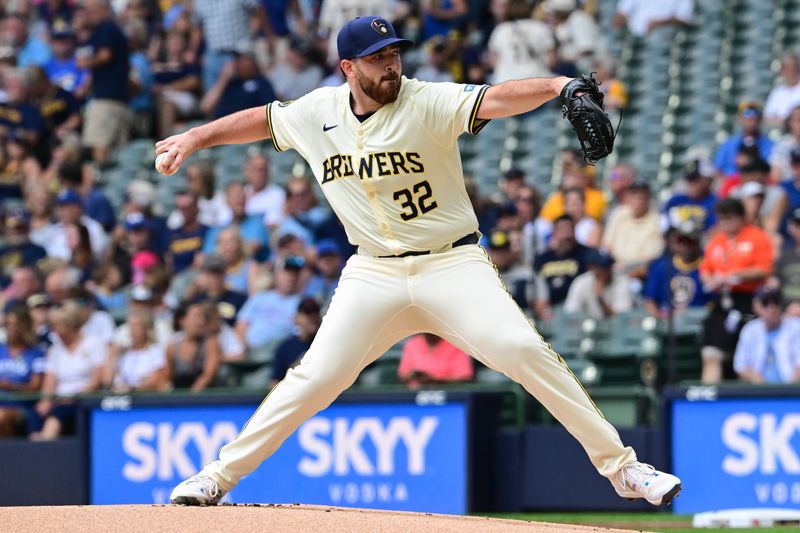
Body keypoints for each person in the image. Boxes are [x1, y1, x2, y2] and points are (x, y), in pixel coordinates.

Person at [159, 15, 680, 507]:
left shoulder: (426, 100)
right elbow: (262, 119)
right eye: (375, 57)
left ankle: (624, 469)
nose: (390, 64)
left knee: (522, 348)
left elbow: (496, 98)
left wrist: (558, 87)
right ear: (348, 68)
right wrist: (196, 136)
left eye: (393, 53)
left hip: (451, 264)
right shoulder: (315, 113)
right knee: (313, 377)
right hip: (373, 272)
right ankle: (217, 477)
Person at [699, 198, 774, 384]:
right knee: (711, 353)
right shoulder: (717, 240)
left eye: (729, 218)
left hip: (749, 299)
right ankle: (708, 397)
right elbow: (705, 270)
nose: (725, 223)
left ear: (741, 217)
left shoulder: (756, 236)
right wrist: (713, 280)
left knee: (746, 358)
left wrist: (736, 274)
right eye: (721, 219)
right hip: (723, 300)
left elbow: (764, 269)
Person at [31, 301, 106, 440]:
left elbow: (97, 380)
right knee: (36, 413)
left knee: (61, 411)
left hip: (83, 399)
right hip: (59, 399)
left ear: (70, 326)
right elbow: (50, 381)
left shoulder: (94, 344)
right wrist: (45, 401)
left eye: (58, 326)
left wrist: (73, 397)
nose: (55, 330)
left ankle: (45, 440)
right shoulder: (55, 350)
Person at [78, 0, 132, 163]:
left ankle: (99, 184)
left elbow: (105, 55)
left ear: (105, 9)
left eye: (93, 10)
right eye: (87, 11)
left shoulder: (106, 28)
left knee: (98, 145)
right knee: (118, 153)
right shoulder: (113, 29)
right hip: (119, 99)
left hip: (105, 99)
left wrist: (85, 63)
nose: (89, 14)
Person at [734, 286, 800, 384]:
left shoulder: (796, 326)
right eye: (765, 303)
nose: (771, 308)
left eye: (776, 302)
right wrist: (755, 378)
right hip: (758, 392)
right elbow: (740, 366)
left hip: (791, 392)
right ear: (755, 306)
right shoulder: (750, 329)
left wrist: (790, 390)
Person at [643, 222, 710, 318]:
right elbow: (650, 300)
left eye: (690, 242)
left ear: (697, 243)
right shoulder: (661, 267)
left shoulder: (707, 266)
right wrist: (659, 318)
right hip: (668, 323)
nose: (685, 246)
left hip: (698, 321)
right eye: (681, 241)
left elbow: (714, 301)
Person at [0, 305, 46, 437]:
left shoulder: (36, 353)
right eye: (8, 324)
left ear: (25, 326)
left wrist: (11, 386)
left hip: (22, 407)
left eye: (16, 324)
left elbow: (35, 387)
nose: (11, 328)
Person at [601, 181, 663, 279]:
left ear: (649, 199)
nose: (639, 201)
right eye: (635, 196)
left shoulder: (657, 221)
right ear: (628, 198)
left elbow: (652, 256)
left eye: (643, 197)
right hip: (613, 266)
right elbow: (606, 245)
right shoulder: (619, 214)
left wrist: (625, 266)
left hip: (638, 271)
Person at [533, 215, 590, 319]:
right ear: (554, 232)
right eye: (562, 229)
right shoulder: (542, 258)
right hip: (549, 310)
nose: (566, 234)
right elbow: (536, 287)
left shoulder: (586, 255)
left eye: (569, 229)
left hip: (578, 310)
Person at [104, 308, 169, 392]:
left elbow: (155, 380)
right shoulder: (123, 353)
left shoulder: (155, 352)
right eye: (130, 325)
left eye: (137, 325)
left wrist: (132, 389)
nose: (132, 329)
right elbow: (107, 381)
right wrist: (112, 356)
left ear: (146, 328)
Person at [165, 301, 221, 391]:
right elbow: (167, 377)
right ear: (182, 321)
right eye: (196, 317)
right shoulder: (172, 348)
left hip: (203, 398)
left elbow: (208, 375)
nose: (201, 322)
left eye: (203, 317)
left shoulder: (211, 344)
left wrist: (190, 398)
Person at [563, 250, 633, 319]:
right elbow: (571, 313)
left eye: (609, 266)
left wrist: (600, 299)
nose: (607, 270)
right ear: (591, 267)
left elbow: (621, 319)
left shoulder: (622, 281)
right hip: (586, 327)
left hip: (615, 328)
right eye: (602, 267)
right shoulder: (581, 282)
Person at [714, 101, 774, 178]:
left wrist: (751, 162)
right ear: (739, 118)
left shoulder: (771, 146)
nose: (751, 117)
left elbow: (773, 172)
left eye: (756, 113)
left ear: (761, 118)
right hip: (731, 185)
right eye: (747, 113)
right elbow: (717, 170)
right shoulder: (728, 145)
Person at [270, 297, 321, 386]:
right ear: (297, 318)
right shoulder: (286, 348)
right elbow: (274, 382)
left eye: (315, 313)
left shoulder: (324, 343)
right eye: (307, 314)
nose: (313, 317)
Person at [662, 157, 718, 233]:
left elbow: (715, 232)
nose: (691, 183)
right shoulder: (674, 200)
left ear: (708, 181)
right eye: (688, 179)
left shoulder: (716, 203)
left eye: (695, 179)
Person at [398, 333, 473, 389]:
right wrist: (414, 375)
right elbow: (403, 376)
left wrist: (434, 380)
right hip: (414, 397)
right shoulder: (413, 343)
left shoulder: (457, 344)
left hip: (449, 396)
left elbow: (464, 377)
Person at [613, 0, 694, 37]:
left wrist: (662, 23)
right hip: (635, 38)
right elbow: (619, 17)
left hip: (665, 36)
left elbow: (684, 20)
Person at [303, 240, 343, 311]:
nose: (327, 261)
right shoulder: (312, 282)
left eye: (331, 257)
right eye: (323, 257)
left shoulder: (346, 281)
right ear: (317, 261)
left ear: (339, 259)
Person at [764, 53, 800, 128]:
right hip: (780, 133)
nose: (791, 72)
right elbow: (767, 117)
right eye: (788, 69)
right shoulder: (777, 93)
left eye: (793, 68)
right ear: (783, 71)